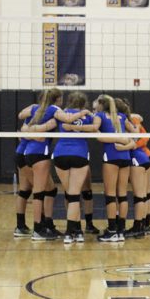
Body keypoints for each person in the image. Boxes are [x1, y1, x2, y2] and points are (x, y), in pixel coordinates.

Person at [24, 91, 99, 244]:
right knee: (74, 196)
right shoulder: (90, 116)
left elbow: (37, 125)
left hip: (60, 155)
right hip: (79, 154)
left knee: (70, 195)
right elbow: (96, 129)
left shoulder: (59, 113)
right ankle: (74, 232)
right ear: (83, 104)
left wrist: (30, 130)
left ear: (68, 101)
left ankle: (72, 232)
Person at [18, 89, 63, 240]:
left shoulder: (33, 111)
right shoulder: (52, 112)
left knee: (46, 190)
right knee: (39, 192)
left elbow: (22, 123)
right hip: (37, 154)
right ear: (57, 99)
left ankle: (45, 225)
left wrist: (30, 130)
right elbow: (38, 137)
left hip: (26, 153)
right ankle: (39, 228)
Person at [94, 95, 136, 242]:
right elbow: (136, 131)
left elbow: (96, 133)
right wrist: (126, 141)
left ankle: (112, 230)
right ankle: (120, 230)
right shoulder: (123, 116)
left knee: (110, 195)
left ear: (101, 104)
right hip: (125, 156)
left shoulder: (99, 116)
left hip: (111, 156)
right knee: (122, 194)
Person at [130, 113, 150, 235]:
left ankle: (143, 225)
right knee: (146, 193)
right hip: (146, 156)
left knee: (144, 193)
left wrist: (134, 145)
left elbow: (145, 137)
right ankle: (146, 225)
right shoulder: (132, 118)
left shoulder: (133, 119)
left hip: (144, 156)